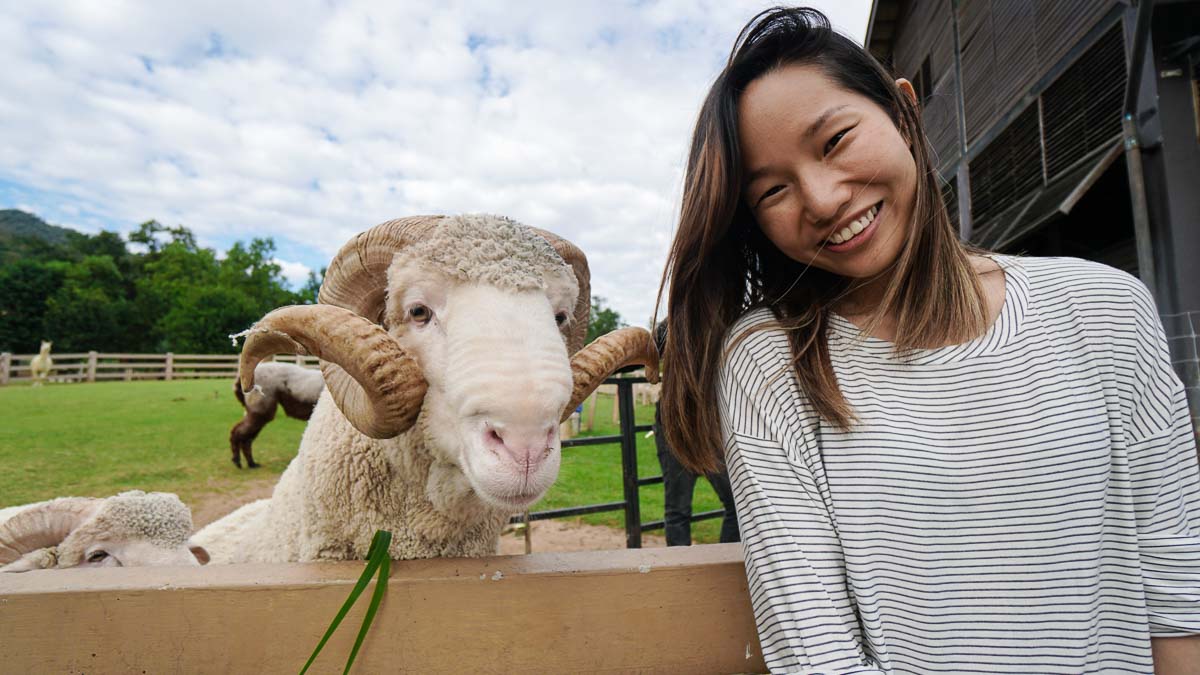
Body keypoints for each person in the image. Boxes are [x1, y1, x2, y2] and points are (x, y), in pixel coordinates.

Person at [654, 7, 1200, 673]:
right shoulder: (770, 365)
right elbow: (818, 655)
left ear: (903, 111)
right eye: (773, 190)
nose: (821, 198)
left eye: (833, 142)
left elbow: (1180, 596)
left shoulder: (1109, 308)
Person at [652, 320, 740, 546]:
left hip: (710, 430)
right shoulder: (670, 326)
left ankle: (724, 563)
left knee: (737, 504)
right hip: (673, 428)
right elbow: (647, 350)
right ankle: (681, 571)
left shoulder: (725, 323)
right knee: (677, 509)